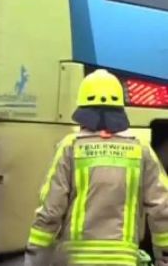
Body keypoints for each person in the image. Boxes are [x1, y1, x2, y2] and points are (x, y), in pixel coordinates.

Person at [24, 69, 168, 266]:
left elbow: (50, 210)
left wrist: (34, 259)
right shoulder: (140, 149)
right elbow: (163, 209)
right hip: (122, 262)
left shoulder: (70, 147)